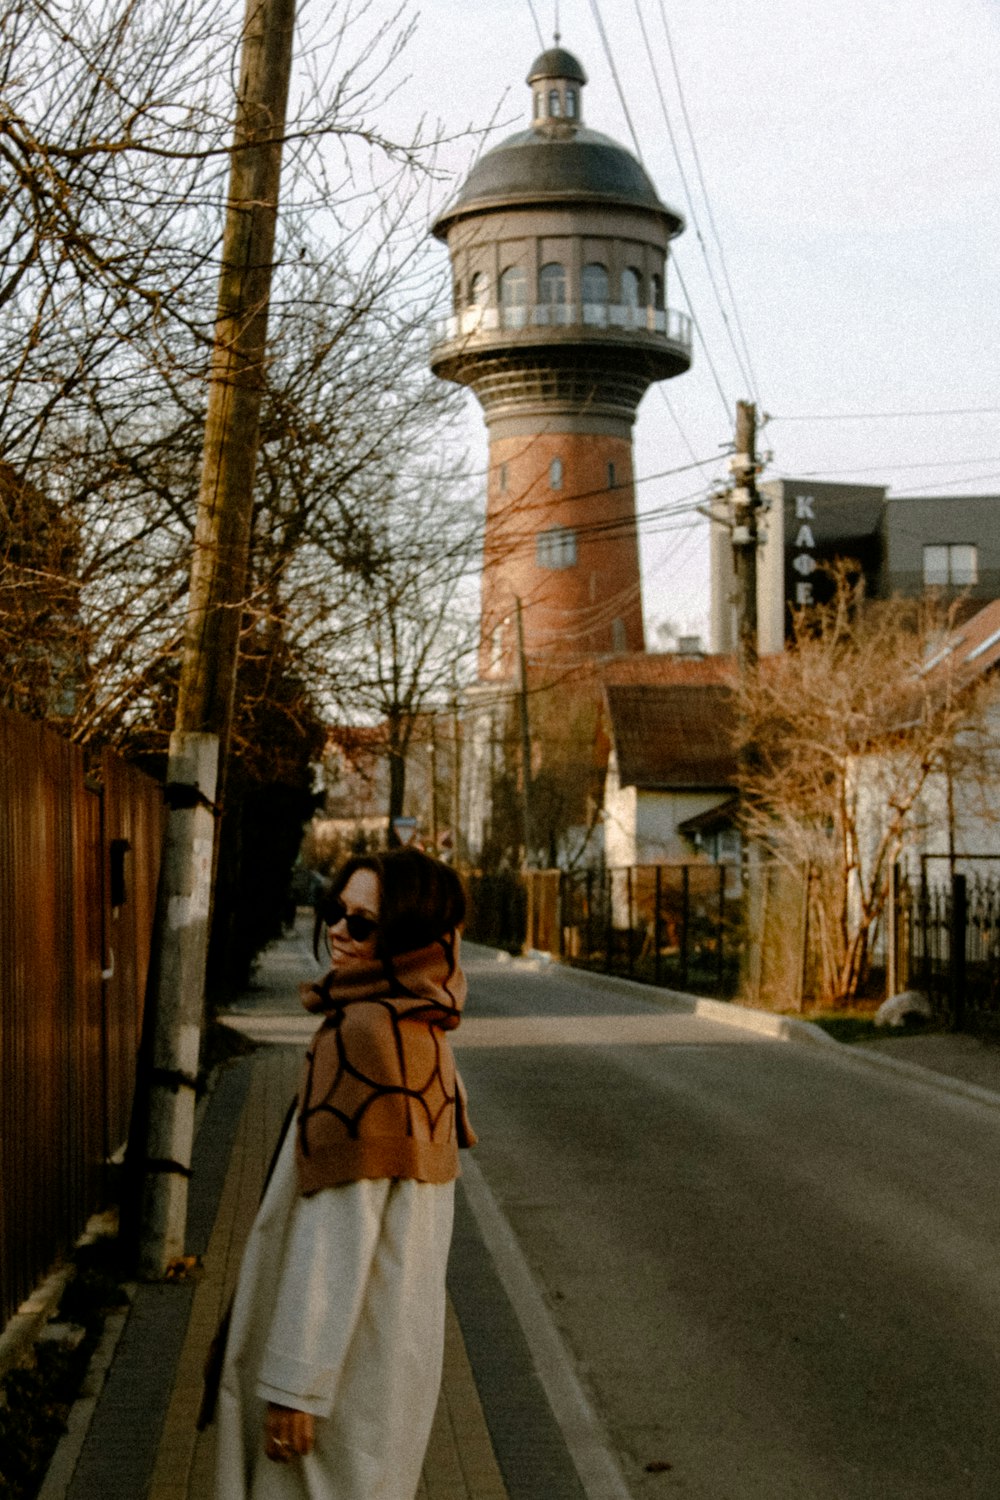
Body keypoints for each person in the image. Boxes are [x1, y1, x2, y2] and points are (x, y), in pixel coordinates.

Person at [214, 847, 475, 1500]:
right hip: (393, 1359)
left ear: (408, 940)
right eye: (336, 911)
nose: (337, 929)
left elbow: (339, 1227)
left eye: (362, 923)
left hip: (333, 1378)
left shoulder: (361, 1034)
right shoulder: (425, 1033)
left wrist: (294, 1384)